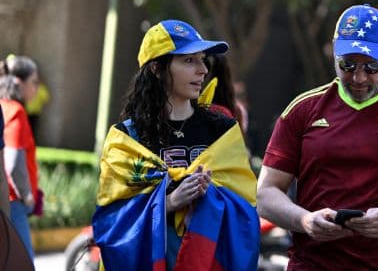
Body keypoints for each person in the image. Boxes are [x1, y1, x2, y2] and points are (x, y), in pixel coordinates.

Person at [257, 3, 378, 271]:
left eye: (371, 66)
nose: (359, 78)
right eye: (347, 65)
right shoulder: (302, 110)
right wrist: (304, 220)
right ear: (334, 51)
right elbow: (267, 192)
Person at [93, 19, 259, 271]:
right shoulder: (126, 138)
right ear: (157, 69)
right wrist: (169, 203)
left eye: (203, 60)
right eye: (188, 61)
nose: (202, 70)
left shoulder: (223, 131)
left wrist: (209, 201)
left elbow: (245, 207)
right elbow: (113, 220)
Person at [0, 56, 41, 261]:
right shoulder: (16, 111)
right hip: (14, 201)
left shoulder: (2, 107)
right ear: (19, 82)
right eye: (34, 82)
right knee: (24, 263)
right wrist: (27, 195)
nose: (37, 89)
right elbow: (13, 159)